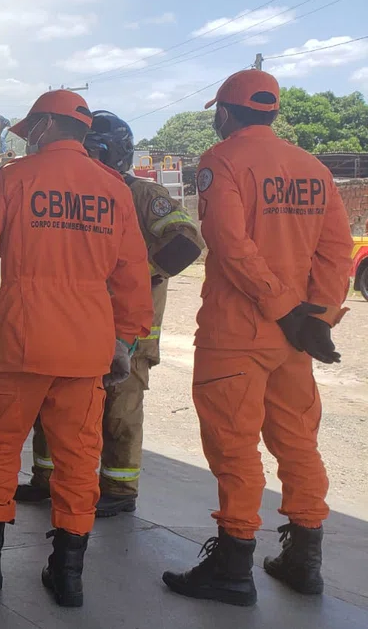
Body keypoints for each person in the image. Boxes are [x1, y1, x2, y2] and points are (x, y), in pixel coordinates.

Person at [0, 90, 153, 607]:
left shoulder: (16, 178)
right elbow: (132, 274)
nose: (28, 139)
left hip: (20, 340)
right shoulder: (113, 188)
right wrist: (124, 339)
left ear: (48, 127)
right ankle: (68, 573)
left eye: (32, 130)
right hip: (87, 347)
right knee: (79, 459)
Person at [162, 69, 353, 607]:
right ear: (271, 112)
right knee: (297, 441)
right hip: (295, 339)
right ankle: (303, 560)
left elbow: (228, 241)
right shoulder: (313, 168)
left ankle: (232, 565)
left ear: (225, 112)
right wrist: (317, 317)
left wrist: (283, 307)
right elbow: (336, 248)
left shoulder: (222, 160)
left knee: (234, 445)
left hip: (238, 332)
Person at [14, 111, 204, 517]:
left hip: (129, 331)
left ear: (113, 153)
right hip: (76, 325)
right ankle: (47, 478)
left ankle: (118, 487)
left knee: (119, 409)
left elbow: (186, 242)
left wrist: (134, 273)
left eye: (91, 151)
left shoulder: (142, 194)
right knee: (54, 405)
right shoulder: (75, 191)